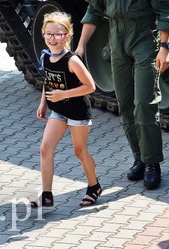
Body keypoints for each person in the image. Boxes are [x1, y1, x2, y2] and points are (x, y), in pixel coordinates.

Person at [76, 0, 169, 190]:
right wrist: (81, 46)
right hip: (118, 43)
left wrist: (164, 47)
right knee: (125, 104)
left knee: (145, 102)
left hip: (145, 40)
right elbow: (93, 10)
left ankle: (153, 162)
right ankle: (139, 159)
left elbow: (165, 9)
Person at [31, 11, 101, 209]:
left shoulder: (72, 61)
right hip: (58, 112)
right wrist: (43, 102)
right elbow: (48, 81)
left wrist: (64, 94)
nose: (52, 38)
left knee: (79, 151)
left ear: (67, 36)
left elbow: (90, 86)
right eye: (48, 34)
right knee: (45, 148)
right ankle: (46, 196)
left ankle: (94, 186)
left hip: (78, 112)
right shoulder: (45, 57)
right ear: (43, 34)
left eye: (58, 34)